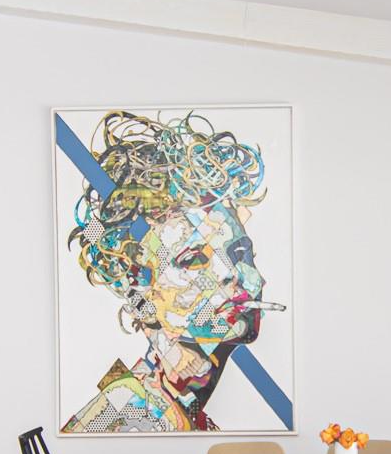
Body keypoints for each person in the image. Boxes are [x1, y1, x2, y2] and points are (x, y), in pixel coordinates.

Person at [63, 110, 280, 433]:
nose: (235, 276)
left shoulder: (187, 415)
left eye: (239, 252)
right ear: (138, 291)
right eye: (193, 260)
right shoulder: (124, 413)